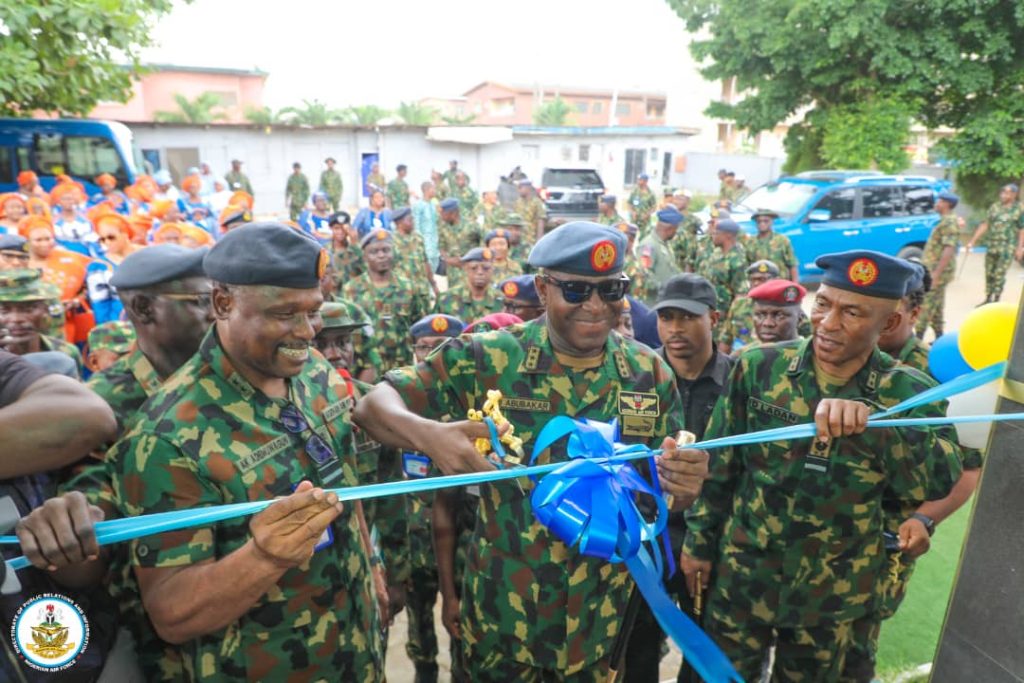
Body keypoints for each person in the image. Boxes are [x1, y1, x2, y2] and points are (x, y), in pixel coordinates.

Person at [354, 221, 710, 681]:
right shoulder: (487, 357)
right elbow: (371, 406)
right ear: (542, 289)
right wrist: (427, 434)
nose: (597, 306)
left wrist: (682, 487)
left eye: (611, 289)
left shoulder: (648, 373)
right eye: (577, 291)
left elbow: (658, 491)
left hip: (597, 627)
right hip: (505, 622)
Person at [107, 222, 385, 681]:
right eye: (284, 314)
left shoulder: (311, 371)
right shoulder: (167, 437)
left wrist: (370, 568)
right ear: (222, 303)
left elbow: (339, 481)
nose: (308, 332)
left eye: (312, 311)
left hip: (356, 652)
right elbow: (172, 613)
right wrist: (264, 557)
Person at [681, 250, 963, 681]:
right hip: (743, 577)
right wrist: (699, 546)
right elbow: (721, 468)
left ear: (887, 324)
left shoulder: (908, 393)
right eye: (823, 304)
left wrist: (878, 428)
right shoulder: (759, 368)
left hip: (833, 596)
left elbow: (941, 477)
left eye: (852, 313)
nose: (829, 323)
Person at [844, 263, 982, 683]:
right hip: (821, 528)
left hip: (884, 538)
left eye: (890, 309)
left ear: (913, 312)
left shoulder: (936, 374)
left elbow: (967, 470)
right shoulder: (840, 356)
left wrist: (923, 518)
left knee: (856, 647)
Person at [623, 273, 734, 682]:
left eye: (687, 317)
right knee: (635, 652)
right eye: (666, 317)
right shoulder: (637, 376)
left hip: (709, 546)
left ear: (714, 318)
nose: (674, 329)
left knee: (704, 654)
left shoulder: (738, 383)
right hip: (644, 544)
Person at [313, 301, 409, 648]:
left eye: (343, 342)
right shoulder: (291, 410)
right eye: (320, 344)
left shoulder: (374, 404)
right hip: (313, 572)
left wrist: (397, 573)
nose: (334, 354)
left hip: (370, 558)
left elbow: (393, 494)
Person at [404, 313, 467, 683]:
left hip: (458, 543)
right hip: (413, 543)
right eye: (424, 348)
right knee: (419, 628)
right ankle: (424, 671)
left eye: (441, 349)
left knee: (463, 630)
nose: (431, 356)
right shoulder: (400, 405)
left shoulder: (466, 402)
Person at [343, 229, 431, 371]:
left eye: (386, 250)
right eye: (374, 251)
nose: (381, 255)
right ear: (365, 256)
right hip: (365, 370)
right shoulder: (351, 290)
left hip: (401, 370)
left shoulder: (408, 288)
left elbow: (419, 330)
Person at [0, 269, 84, 374]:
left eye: (28, 309)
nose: (16, 319)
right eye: (4, 311)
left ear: (45, 309)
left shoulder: (66, 352)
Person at [966, 182, 1023, 304]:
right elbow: (985, 224)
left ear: (1014, 195)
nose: (1003, 195)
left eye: (1007, 193)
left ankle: (996, 299)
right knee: (989, 271)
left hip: (1007, 247)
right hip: (992, 245)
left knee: (999, 273)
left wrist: (1019, 248)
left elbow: (1021, 229)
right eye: (1003, 192)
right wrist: (972, 241)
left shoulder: (1019, 209)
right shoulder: (995, 207)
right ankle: (987, 298)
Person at [916, 191, 960, 339]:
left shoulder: (949, 222)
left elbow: (949, 248)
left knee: (926, 303)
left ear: (947, 204)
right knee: (937, 304)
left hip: (937, 272)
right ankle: (939, 336)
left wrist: (936, 275)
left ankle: (917, 338)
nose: (937, 203)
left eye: (940, 201)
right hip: (934, 270)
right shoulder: (945, 220)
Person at [718, 260, 779, 354]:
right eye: (753, 279)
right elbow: (726, 339)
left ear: (776, 281)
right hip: (742, 363)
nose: (756, 283)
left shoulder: (785, 306)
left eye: (762, 279)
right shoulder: (739, 304)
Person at [435, 247, 503, 322]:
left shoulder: (502, 301)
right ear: (465, 269)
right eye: (474, 268)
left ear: (492, 269)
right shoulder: (446, 299)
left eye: (486, 268)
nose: (480, 272)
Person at [697, 218, 747, 314]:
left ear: (728, 235)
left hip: (724, 312)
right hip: (707, 307)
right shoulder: (716, 254)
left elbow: (740, 294)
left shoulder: (737, 261)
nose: (713, 236)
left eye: (716, 233)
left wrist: (733, 317)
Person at [636, 207, 683, 303]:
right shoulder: (648, 246)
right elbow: (644, 276)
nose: (676, 233)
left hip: (666, 300)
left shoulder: (665, 244)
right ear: (669, 229)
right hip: (654, 303)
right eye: (675, 229)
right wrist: (666, 288)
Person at [391, 206, 439, 298]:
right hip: (403, 292)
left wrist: (434, 285)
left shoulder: (418, 238)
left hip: (421, 290)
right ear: (399, 223)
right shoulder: (391, 242)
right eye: (410, 220)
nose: (413, 222)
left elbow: (425, 263)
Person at [748, 278, 807, 348]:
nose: (767, 323)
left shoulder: (810, 356)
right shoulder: (744, 356)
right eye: (760, 315)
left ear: (799, 320)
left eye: (779, 315)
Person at [438, 198, 481, 289]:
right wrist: (448, 259)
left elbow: (483, 245)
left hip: (471, 271)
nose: (441, 216)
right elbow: (441, 246)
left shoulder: (472, 226)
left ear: (453, 213)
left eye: (443, 213)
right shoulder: (443, 227)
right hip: (453, 273)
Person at [747, 209, 798, 281]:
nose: (762, 223)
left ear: (772, 222)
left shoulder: (782, 240)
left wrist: (795, 285)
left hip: (779, 282)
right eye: (759, 221)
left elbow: (792, 264)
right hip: (758, 283)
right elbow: (746, 266)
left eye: (766, 221)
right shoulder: (750, 242)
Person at [328, 211, 364, 285]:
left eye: (343, 228)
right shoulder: (324, 251)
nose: (340, 232)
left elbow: (365, 269)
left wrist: (355, 244)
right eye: (336, 228)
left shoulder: (355, 249)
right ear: (331, 228)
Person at [513, 179, 547, 254]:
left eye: (520, 188)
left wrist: (539, 240)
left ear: (528, 188)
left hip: (531, 238)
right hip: (519, 238)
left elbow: (540, 221)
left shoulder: (537, 202)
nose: (519, 190)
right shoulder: (517, 202)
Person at [413, 181, 440, 273]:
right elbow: (416, 225)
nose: (435, 191)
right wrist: (419, 242)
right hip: (424, 243)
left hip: (434, 243)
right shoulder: (418, 205)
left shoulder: (433, 205)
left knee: (434, 265)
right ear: (426, 190)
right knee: (425, 269)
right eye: (433, 189)